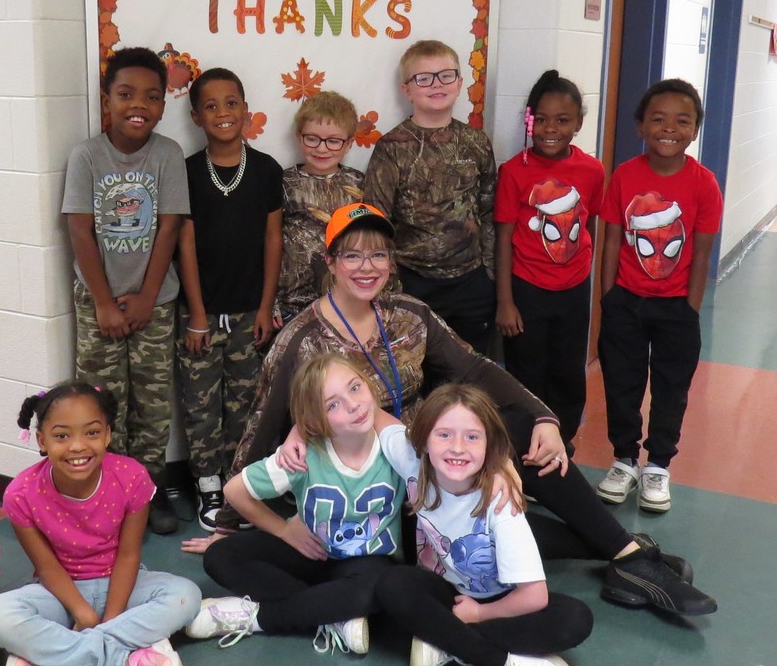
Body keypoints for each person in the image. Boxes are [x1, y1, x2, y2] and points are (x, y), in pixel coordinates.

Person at [203, 202, 717, 618]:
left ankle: (625, 555)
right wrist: (229, 521)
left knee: (514, 426)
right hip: (377, 487)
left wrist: (544, 417)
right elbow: (263, 423)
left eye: (379, 256)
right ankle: (623, 550)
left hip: (426, 448)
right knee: (467, 538)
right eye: (353, 256)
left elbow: (476, 369)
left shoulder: (410, 314)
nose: (367, 268)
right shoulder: (301, 338)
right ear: (331, 261)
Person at [0, 383, 201, 666]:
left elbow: (128, 554)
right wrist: (82, 612)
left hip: (123, 588)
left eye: (92, 433)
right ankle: (128, 664)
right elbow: (46, 566)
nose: (78, 447)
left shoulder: (132, 477)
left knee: (186, 595)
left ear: (108, 435)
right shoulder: (21, 493)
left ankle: (51, 663)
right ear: (42, 440)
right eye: (61, 436)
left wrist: (109, 616)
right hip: (61, 593)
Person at [374, 384, 593, 666]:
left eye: (472, 437)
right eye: (444, 435)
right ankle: (501, 663)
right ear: (421, 440)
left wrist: (479, 614)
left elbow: (533, 596)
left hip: (503, 604)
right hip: (452, 594)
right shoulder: (411, 458)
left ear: (490, 446)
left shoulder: (499, 503)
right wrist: (298, 433)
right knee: (391, 584)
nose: (458, 448)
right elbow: (374, 416)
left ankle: (445, 642)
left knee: (574, 619)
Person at [184, 354, 405, 654]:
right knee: (219, 555)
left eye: (355, 388)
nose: (352, 405)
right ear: (314, 421)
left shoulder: (396, 447)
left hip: (368, 562)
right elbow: (235, 491)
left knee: (379, 587)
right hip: (313, 553)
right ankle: (333, 614)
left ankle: (257, 618)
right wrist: (284, 530)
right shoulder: (304, 453)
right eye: (332, 404)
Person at [62, 46, 189, 535]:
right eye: (126, 93)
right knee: (100, 401)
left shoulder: (168, 155)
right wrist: (102, 302)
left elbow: (170, 228)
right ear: (106, 98)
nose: (139, 104)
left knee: (153, 405)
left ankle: (147, 490)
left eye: (153, 97)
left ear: (163, 104)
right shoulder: (87, 156)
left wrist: (145, 296)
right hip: (98, 302)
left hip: (154, 302)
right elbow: (80, 232)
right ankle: (104, 493)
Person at [596, 79, 723, 514]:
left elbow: (701, 254)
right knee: (622, 382)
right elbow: (612, 241)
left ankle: (658, 466)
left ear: (694, 130)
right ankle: (625, 459)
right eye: (657, 119)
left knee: (672, 387)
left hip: (676, 309)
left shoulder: (704, 184)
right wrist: (609, 295)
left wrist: (689, 307)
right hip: (625, 302)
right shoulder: (625, 176)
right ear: (640, 126)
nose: (669, 128)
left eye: (681, 121)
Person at [177, 67, 283, 531]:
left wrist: (265, 307)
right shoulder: (186, 173)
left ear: (246, 108)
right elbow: (184, 245)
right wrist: (197, 313)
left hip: (248, 313)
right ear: (196, 115)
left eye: (232, 102)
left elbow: (273, 240)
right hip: (200, 314)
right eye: (211, 105)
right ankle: (207, 485)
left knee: (244, 405)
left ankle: (238, 483)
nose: (223, 113)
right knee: (201, 406)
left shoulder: (265, 170)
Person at [495, 70, 605, 444]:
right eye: (540, 119)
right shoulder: (513, 171)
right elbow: (504, 238)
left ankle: (562, 443)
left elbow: (590, 226)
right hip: (526, 290)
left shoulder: (592, 170)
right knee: (527, 373)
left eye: (562, 120)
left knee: (568, 372)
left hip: (574, 290)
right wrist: (506, 302)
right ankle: (525, 447)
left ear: (578, 123)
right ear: (529, 120)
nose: (549, 128)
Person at [364, 39, 496, 352]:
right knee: (416, 370)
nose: (436, 84)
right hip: (413, 283)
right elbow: (376, 221)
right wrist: (389, 284)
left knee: (470, 372)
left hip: (471, 283)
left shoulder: (477, 143)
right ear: (407, 89)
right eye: (424, 78)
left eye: (446, 75)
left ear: (460, 83)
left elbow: (489, 210)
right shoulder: (391, 147)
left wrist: (489, 274)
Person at [277, 90, 365, 325]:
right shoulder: (284, 182)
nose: (322, 149)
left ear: (349, 143)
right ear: (299, 137)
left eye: (333, 141)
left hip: (346, 302)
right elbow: (268, 242)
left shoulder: (359, 184)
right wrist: (272, 304)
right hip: (291, 303)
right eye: (312, 138)